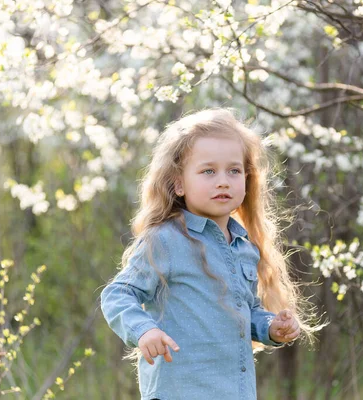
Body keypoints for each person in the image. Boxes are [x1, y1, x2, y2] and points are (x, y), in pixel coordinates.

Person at [100, 108, 322, 400]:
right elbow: (117, 294)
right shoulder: (165, 240)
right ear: (178, 183)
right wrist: (144, 330)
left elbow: (246, 312)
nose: (223, 181)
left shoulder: (244, 247)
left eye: (234, 170)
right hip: (177, 391)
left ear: (247, 178)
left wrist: (270, 327)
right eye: (208, 171)